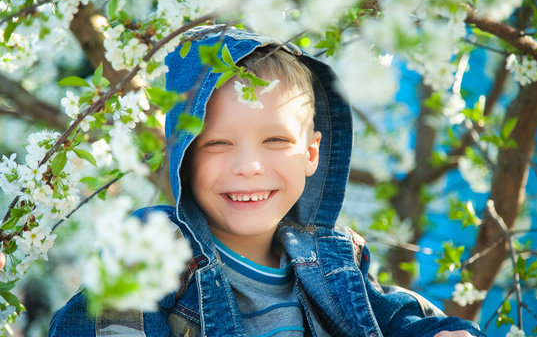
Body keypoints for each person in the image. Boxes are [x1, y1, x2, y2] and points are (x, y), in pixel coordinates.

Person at [49, 26, 486, 337]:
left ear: (311, 153)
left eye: (275, 139)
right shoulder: (154, 259)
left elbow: (390, 318)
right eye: (217, 143)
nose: (249, 166)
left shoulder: (334, 258)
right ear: (183, 155)